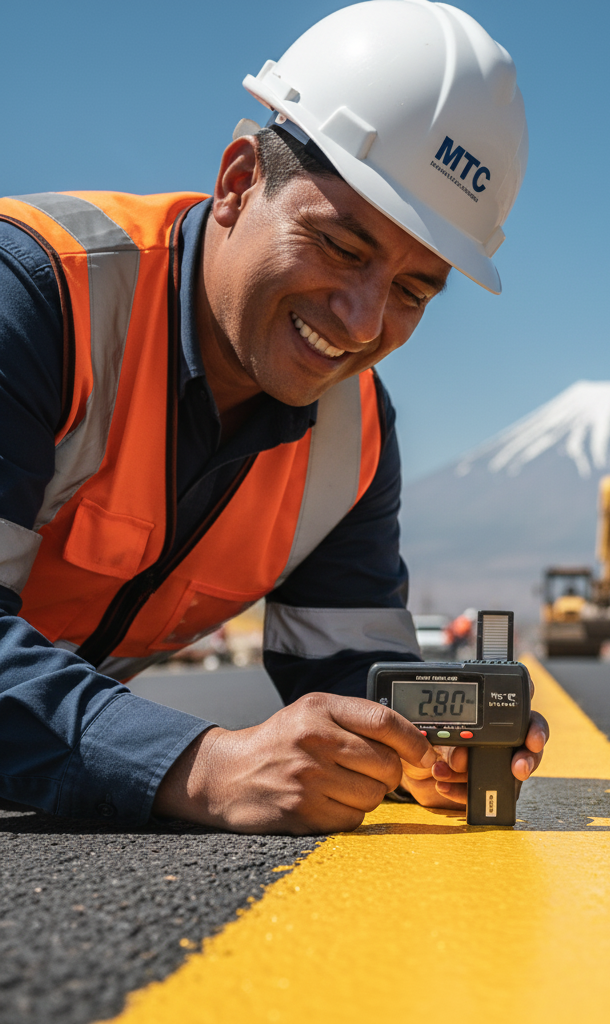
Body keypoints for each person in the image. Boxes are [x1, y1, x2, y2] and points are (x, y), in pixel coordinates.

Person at [0, 0, 547, 835]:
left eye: (411, 291)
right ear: (237, 183)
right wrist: (199, 767)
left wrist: (421, 751)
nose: (363, 323)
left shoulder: (354, 435)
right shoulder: (35, 296)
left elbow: (348, 667)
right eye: (341, 246)